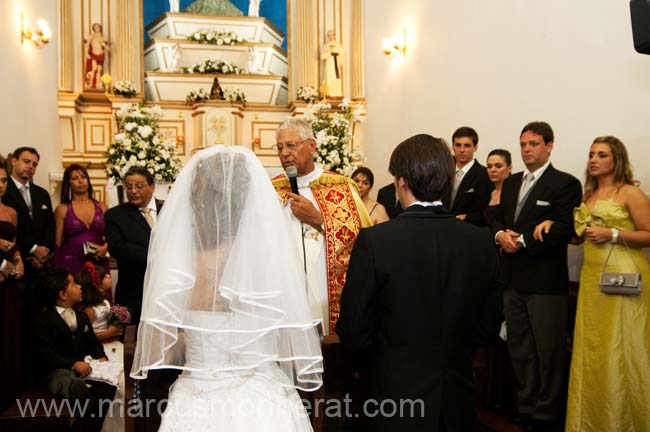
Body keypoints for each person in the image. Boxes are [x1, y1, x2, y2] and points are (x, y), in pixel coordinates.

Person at [131, 145, 323, 431]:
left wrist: (200, 338)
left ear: (194, 199)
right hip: (264, 403)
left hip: (198, 400)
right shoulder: (270, 261)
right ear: (250, 199)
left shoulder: (181, 265)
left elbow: (162, 348)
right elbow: (288, 343)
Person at [337, 134, 502, 431]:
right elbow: (488, 327)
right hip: (457, 397)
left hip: (394, 398)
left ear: (401, 183)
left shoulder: (376, 241)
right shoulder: (480, 240)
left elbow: (354, 329)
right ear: (448, 180)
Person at [534, 136, 650, 432]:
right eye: (591, 154)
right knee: (596, 349)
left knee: (622, 346)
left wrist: (612, 234)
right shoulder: (588, 196)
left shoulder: (629, 193)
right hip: (592, 278)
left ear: (616, 160)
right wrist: (552, 224)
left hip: (624, 276)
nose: (594, 159)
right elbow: (577, 236)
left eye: (602, 154)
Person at [489, 121, 582, 431]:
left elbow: (564, 228)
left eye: (533, 144)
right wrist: (501, 234)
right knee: (520, 347)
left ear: (549, 146)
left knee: (548, 350)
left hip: (545, 283)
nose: (527, 150)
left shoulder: (564, 184)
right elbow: (499, 218)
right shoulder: (512, 182)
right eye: (523, 144)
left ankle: (547, 411)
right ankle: (526, 404)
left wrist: (523, 240)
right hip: (512, 280)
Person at [271, 118, 371, 335]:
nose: (284, 153)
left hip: (325, 288)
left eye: (291, 145)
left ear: (312, 146)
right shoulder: (272, 190)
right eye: (279, 147)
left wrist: (320, 220)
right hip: (284, 290)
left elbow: (364, 241)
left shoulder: (340, 187)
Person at [33, 268, 116, 432]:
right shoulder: (44, 321)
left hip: (84, 366)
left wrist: (101, 357)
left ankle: (87, 423)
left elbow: (93, 344)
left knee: (108, 386)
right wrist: (73, 364)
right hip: (57, 368)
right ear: (63, 294)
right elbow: (46, 353)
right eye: (73, 284)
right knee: (64, 379)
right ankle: (78, 392)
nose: (79, 286)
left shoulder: (81, 317)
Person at [105, 167, 162, 324]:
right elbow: (118, 248)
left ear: (152, 187)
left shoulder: (169, 209)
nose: (133, 191)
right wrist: (156, 257)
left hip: (166, 289)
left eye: (138, 186)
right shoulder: (115, 215)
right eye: (128, 187)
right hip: (134, 290)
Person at [77, 261, 124, 432]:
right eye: (104, 275)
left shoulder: (105, 301)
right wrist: (109, 332)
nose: (108, 276)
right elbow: (87, 336)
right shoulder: (89, 311)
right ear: (97, 284)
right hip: (101, 347)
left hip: (113, 344)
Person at [1, 147, 55, 293]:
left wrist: (44, 252)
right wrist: (33, 249)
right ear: (13, 161)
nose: (30, 166)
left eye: (34, 164)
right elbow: (13, 229)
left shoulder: (42, 193)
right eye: (26, 161)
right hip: (15, 262)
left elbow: (51, 226)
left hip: (41, 266)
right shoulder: (4, 191)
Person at [54, 165, 110, 295]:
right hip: (71, 260)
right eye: (75, 178)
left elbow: (110, 237)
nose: (80, 181)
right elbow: (57, 243)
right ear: (68, 183)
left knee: (99, 299)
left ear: (88, 180)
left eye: (83, 177)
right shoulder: (62, 209)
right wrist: (58, 275)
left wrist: (105, 248)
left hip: (98, 260)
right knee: (75, 299)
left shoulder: (102, 207)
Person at [0, 159, 26, 412]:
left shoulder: (10, 211)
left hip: (8, 282)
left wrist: (18, 262)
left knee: (9, 333)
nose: (0, 185)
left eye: (4, 180)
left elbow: (15, 243)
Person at [442, 126, 493, 226]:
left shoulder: (484, 175)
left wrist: (467, 217)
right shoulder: (444, 171)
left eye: (467, 146)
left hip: (468, 231)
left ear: (475, 147)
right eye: (458, 145)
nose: (462, 150)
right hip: (442, 229)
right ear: (452, 146)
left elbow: (485, 213)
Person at [483, 149, 512, 227]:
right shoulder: (490, 191)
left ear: (509, 167)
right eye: (489, 166)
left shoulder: (514, 192)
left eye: (498, 166)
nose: (493, 170)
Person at [85, 23, 110, 88]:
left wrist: (106, 47)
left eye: (98, 27)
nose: (97, 28)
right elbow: (87, 45)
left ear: (100, 28)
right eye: (95, 27)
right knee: (94, 68)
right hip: (94, 54)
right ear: (93, 28)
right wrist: (86, 53)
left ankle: (97, 85)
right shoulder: (91, 36)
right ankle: (90, 84)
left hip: (101, 55)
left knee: (99, 70)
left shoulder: (102, 36)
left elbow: (105, 46)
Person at [320, 30, 344, 97]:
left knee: (336, 78)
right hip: (329, 65)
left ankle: (337, 94)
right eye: (329, 35)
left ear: (334, 36)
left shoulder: (338, 45)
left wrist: (341, 63)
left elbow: (341, 55)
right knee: (329, 77)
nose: (331, 36)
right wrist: (329, 53)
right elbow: (322, 56)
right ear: (328, 37)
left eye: (332, 35)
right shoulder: (326, 46)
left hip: (336, 64)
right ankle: (328, 93)